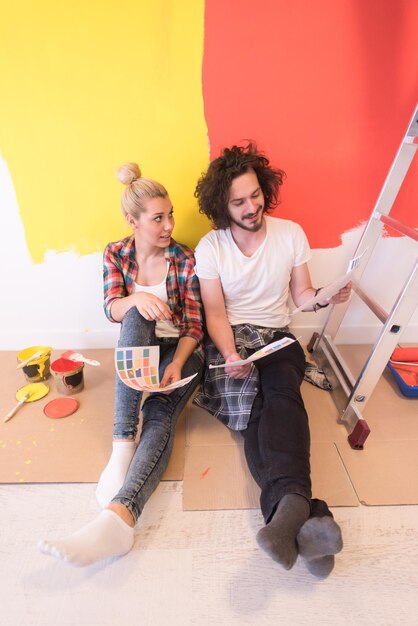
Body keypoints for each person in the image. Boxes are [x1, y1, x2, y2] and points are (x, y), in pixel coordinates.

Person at [193, 143, 351, 578]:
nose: (251, 207)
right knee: (257, 412)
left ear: (265, 189)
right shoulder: (211, 247)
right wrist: (229, 354)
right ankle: (307, 510)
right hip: (232, 342)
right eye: (239, 201)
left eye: (255, 195)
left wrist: (322, 298)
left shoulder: (290, 234)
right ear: (222, 206)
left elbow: (302, 295)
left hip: (277, 338)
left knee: (282, 397)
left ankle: (286, 517)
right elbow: (216, 313)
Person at [39, 162, 204, 567]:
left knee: (160, 413)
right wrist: (135, 300)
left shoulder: (184, 258)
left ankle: (119, 518)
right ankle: (121, 444)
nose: (168, 226)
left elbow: (196, 324)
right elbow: (112, 308)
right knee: (133, 315)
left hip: (182, 349)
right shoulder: (116, 253)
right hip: (139, 345)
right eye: (158, 218)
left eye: (170, 216)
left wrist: (177, 362)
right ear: (133, 220)